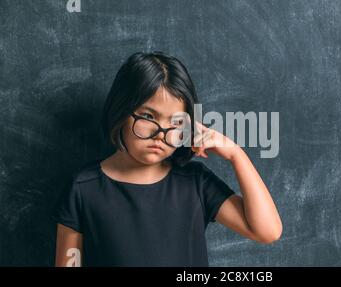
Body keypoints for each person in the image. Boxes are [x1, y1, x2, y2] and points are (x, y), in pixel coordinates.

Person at [54, 51, 282, 266]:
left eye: (175, 122)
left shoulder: (196, 183)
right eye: (147, 116)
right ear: (121, 111)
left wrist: (235, 154)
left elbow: (268, 231)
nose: (160, 134)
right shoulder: (83, 188)